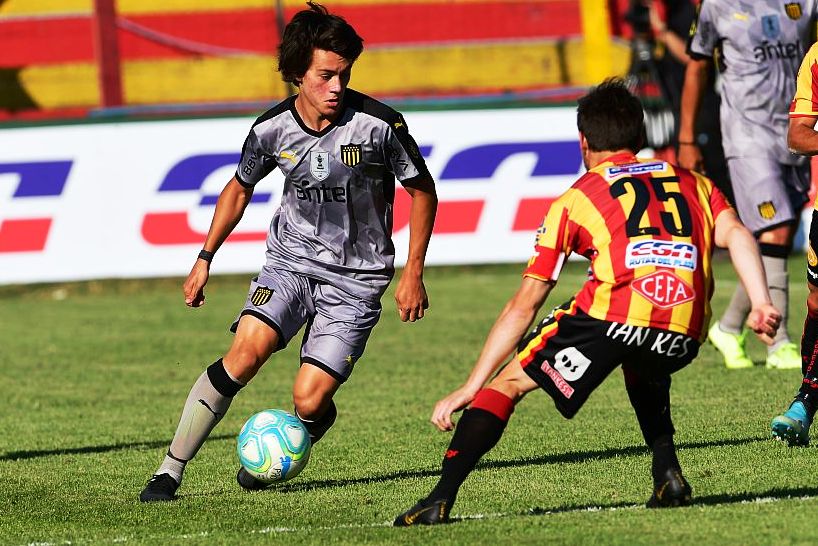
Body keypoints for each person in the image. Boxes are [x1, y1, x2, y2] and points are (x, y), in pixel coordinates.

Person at [393, 80, 781, 526]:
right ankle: (667, 473)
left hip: (613, 319)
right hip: (685, 327)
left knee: (508, 384)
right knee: (643, 361)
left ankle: (438, 498)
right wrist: (761, 302)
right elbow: (738, 234)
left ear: (584, 141)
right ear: (640, 138)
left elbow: (525, 304)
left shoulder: (577, 198)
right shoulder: (693, 182)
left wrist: (471, 384)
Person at [139, 2, 437, 502]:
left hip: (357, 279)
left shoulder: (379, 127)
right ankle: (168, 471)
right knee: (245, 353)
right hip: (289, 263)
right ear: (298, 73)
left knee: (308, 397)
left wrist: (413, 273)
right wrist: (204, 256)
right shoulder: (270, 130)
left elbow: (423, 191)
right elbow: (238, 188)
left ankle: (305, 427)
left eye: (344, 75)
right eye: (326, 75)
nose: (337, 87)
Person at [678, 0, 818, 370]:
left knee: (776, 237)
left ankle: (728, 327)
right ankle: (780, 343)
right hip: (746, 134)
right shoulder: (717, 7)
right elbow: (696, 68)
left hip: (795, 129)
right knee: (776, 228)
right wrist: (687, 139)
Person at [771, 40, 818, 446]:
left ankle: (804, 403)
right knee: (817, 306)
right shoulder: (817, 57)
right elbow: (797, 134)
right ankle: (807, 402)